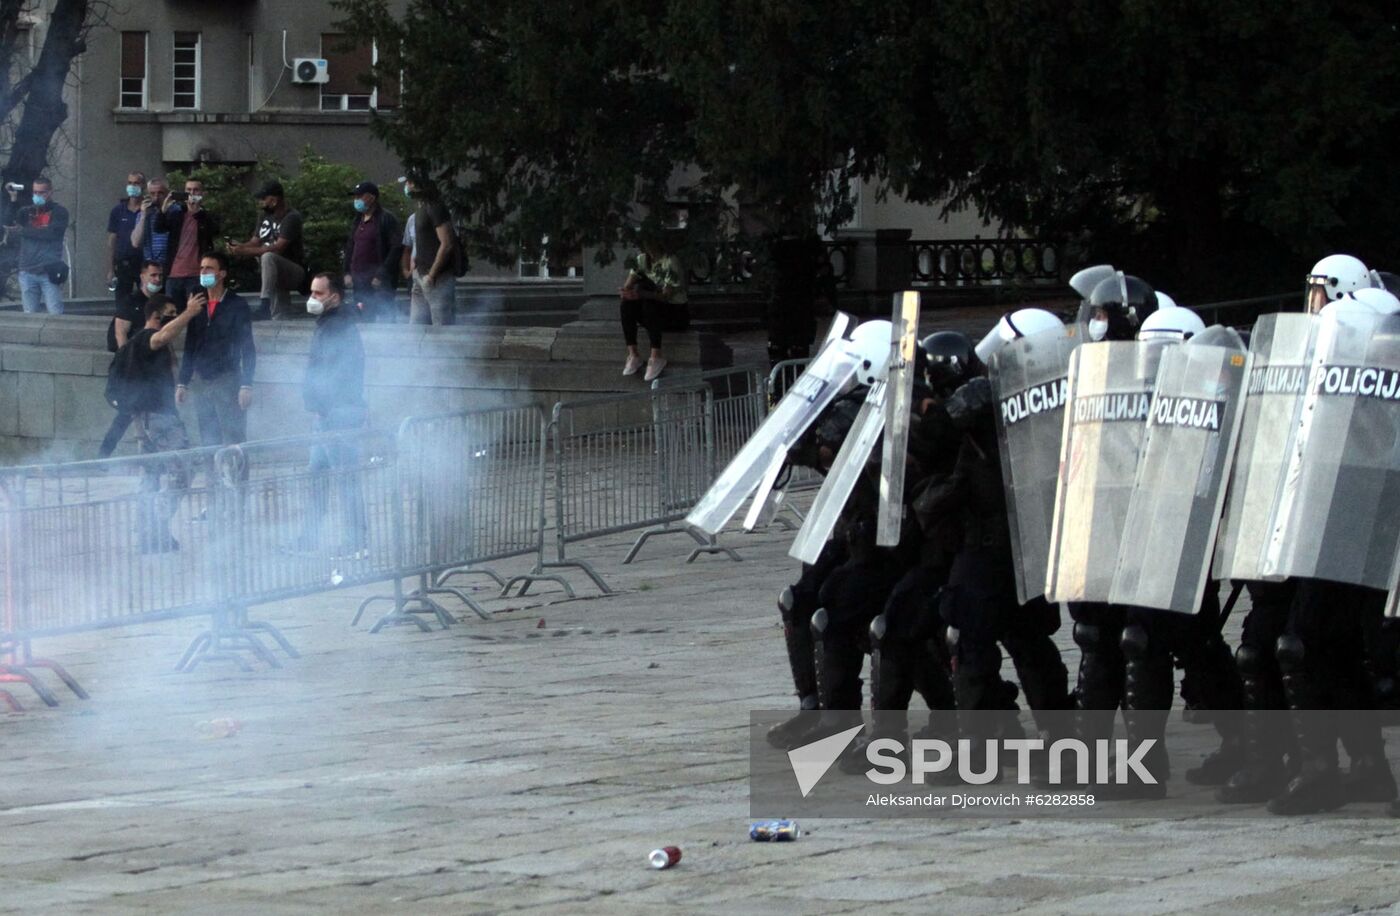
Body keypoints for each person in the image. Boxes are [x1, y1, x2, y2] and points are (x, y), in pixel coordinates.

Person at [296, 273, 368, 554]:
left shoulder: (339, 326)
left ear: (334, 297)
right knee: (318, 473)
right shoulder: (329, 324)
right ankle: (310, 536)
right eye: (312, 292)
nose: (312, 298)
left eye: (318, 293)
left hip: (338, 411)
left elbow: (337, 371)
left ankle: (356, 541)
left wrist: (322, 403)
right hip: (327, 412)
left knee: (345, 476)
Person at [126, 293, 200, 553]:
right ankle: (156, 525)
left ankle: (150, 535)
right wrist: (189, 313)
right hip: (158, 417)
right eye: (169, 313)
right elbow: (161, 337)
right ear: (156, 316)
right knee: (184, 467)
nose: (174, 316)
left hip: (147, 417)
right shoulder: (146, 338)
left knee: (151, 475)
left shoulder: (137, 342)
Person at [176, 252, 256, 447]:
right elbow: (190, 345)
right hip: (202, 378)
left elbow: (248, 347)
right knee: (207, 437)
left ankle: (237, 477)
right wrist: (182, 382)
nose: (204, 272)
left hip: (227, 378)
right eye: (202, 268)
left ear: (222, 274)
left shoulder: (236, 305)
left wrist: (246, 384)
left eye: (209, 268)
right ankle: (212, 477)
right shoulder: (197, 304)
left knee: (233, 436)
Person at [99, 259, 166, 459]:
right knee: (127, 413)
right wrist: (128, 365)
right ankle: (103, 455)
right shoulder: (131, 302)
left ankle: (149, 458)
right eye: (153, 275)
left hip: (153, 368)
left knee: (148, 413)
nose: (157, 279)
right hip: (131, 368)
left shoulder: (161, 303)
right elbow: (121, 334)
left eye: (160, 276)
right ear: (143, 277)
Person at [228, 181, 305, 320]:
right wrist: (239, 247)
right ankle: (273, 316)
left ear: (274, 200)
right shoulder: (263, 216)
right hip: (271, 272)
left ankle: (264, 303)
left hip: (294, 270)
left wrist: (246, 252)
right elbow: (255, 241)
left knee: (268, 256)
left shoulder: (291, 217)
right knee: (278, 315)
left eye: (263, 199)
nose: (261, 202)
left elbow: (279, 247)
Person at [620, 237, 689, 382]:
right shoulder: (641, 259)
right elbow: (628, 284)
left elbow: (666, 296)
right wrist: (627, 292)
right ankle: (633, 354)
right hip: (652, 312)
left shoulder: (670, 261)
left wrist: (641, 294)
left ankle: (656, 356)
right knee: (626, 305)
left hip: (675, 311)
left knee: (650, 303)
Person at [342, 181, 401, 323]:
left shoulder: (386, 218)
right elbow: (351, 246)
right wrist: (346, 272)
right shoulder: (358, 219)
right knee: (363, 319)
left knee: (384, 319)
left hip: (378, 283)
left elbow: (396, 248)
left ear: (371, 197)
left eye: (359, 196)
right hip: (359, 282)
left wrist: (381, 275)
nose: (356, 200)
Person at [155, 177, 219, 307]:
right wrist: (163, 210)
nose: (192, 193)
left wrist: (197, 213)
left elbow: (214, 231)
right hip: (174, 273)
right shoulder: (177, 214)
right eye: (189, 190)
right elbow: (159, 228)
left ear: (202, 193)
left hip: (196, 274)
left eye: (196, 190)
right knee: (172, 314)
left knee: (197, 313)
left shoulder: (206, 216)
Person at [403, 174, 456, 325]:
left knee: (442, 329)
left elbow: (447, 243)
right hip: (420, 276)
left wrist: (432, 274)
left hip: (437, 280)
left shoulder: (435, 207)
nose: (406, 186)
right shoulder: (421, 208)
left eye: (409, 182)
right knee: (416, 327)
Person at [12, 177, 69, 314]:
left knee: (55, 312)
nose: (37, 196)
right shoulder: (26, 212)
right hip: (27, 270)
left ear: (50, 192)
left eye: (42, 192)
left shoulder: (59, 212)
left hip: (49, 270)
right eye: (35, 192)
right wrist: (13, 198)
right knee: (29, 313)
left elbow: (52, 233)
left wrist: (24, 231)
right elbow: (12, 222)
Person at [106, 171, 146, 308]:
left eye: (136, 183)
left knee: (145, 304)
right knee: (122, 305)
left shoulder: (148, 210)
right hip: (123, 264)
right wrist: (110, 269)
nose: (132, 186)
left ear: (143, 186)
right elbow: (112, 240)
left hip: (143, 264)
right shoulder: (118, 211)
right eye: (130, 183)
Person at [130, 177, 172, 272]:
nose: (156, 197)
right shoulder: (144, 214)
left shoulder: (174, 211)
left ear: (166, 194)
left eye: (160, 193)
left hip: (169, 264)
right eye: (152, 194)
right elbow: (135, 242)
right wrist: (144, 215)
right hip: (150, 265)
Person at [401, 208, 421, 322]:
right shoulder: (412, 219)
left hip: (434, 275)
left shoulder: (442, 217)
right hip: (414, 275)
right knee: (416, 317)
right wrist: (405, 269)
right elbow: (407, 248)